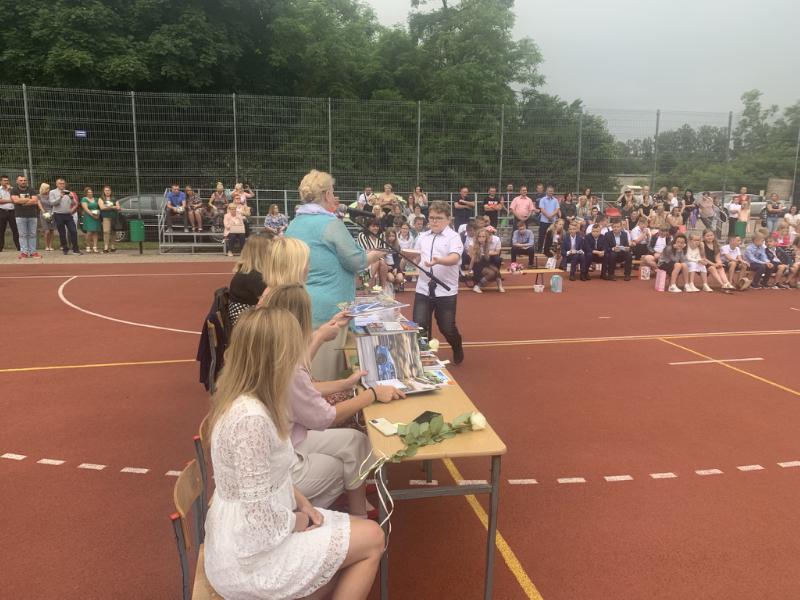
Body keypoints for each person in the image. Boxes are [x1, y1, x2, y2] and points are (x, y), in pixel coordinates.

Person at [203, 307, 384, 600]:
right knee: (374, 538)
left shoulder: (250, 398)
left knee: (349, 554)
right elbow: (260, 525)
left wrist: (303, 504)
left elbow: (269, 480)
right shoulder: (251, 419)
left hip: (249, 539)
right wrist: (300, 520)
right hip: (250, 559)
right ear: (278, 360)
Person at [262, 285, 404, 515]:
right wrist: (372, 394)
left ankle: (358, 514)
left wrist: (344, 383)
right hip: (282, 459)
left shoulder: (271, 350)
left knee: (356, 442)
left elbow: (301, 378)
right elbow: (325, 417)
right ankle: (307, 516)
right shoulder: (287, 366)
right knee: (341, 467)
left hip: (285, 441)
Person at [286, 170, 385, 380]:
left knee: (304, 371)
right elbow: (356, 261)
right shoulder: (331, 224)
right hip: (329, 309)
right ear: (327, 195)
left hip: (299, 304)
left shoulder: (294, 224)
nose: (335, 195)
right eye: (332, 191)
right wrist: (373, 256)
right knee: (327, 372)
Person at [412, 201, 464, 364]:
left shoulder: (453, 237)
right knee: (420, 327)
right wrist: (408, 260)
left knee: (446, 327)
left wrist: (439, 260)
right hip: (423, 288)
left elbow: (454, 258)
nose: (434, 221)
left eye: (439, 218)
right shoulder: (422, 237)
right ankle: (424, 358)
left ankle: (457, 345)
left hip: (445, 291)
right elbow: (416, 257)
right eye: (432, 217)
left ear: (448, 219)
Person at [228, 234, 272, 326]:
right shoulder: (254, 277)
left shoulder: (245, 271)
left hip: (244, 319)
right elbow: (271, 301)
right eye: (270, 251)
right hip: (246, 324)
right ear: (262, 254)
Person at [48, 178, 81, 255]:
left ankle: (75, 249)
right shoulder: (52, 192)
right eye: (60, 183)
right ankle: (65, 248)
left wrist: (71, 198)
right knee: (62, 232)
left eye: (63, 183)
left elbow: (74, 203)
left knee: (73, 231)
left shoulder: (68, 192)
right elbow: (52, 203)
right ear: (57, 184)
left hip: (68, 214)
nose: (62, 185)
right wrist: (60, 197)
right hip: (58, 214)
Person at [11, 175, 40, 259]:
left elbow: (35, 201)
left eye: (24, 180)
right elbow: (15, 200)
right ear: (17, 181)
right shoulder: (14, 190)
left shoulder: (31, 189)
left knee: (32, 234)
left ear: (27, 181)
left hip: (32, 215)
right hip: (20, 216)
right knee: (22, 235)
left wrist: (22, 201)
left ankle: (33, 252)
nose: (23, 182)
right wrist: (29, 200)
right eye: (21, 180)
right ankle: (24, 252)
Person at [469, 228, 504, 293]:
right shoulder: (474, 245)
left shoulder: (487, 244)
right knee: (491, 273)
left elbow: (488, 255)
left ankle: (500, 286)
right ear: (477, 237)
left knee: (496, 270)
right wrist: (470, 269)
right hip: (477, 264)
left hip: (485, 262)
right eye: (479, 236)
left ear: (486, 237)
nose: (481, 238)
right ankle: (477, 286)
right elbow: (472, 258)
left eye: (483, 236)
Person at [358, 219, 388, 288]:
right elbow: (365, 251)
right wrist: (377, 251)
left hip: (379, 259)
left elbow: (384, 251)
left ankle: (382, 288)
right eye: (373, 226)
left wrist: (374, 251)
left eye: (377, 226)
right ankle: (368, 284)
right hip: (365, 260)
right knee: (377, 262)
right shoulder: (362, 235)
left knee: (382, 263)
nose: (376, 228)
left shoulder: (381, 235)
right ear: (368, 227)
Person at [536, 185, 560, 252]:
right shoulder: (542, 199)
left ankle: (549, 250)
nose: (550, 192)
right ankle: (539, 249)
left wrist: (551, 216)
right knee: (542, 235)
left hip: (552, 222)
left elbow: (557, 209)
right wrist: (548, 216)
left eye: (552, 191)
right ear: (546, 191)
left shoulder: (555, 200)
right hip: (544, 221)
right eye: (549, 191)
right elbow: (542, 209)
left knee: (551, 236)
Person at [0, 175, 20, 252]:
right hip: (2, 211)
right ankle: (0, 247)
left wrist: (9, 191)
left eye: (7, 180)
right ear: (1, 181)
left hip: (12, 211)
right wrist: (11, 200)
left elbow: (17, 199)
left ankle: (19, 247)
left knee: (15, 230)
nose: (6, 182)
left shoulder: (13, 189)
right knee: (1, 230)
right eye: (4, 180)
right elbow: (0, 201)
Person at [36, 182, 58, 252]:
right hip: (44, 213)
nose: (48, 189)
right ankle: (46, 246)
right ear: (43, 189)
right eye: (47, 188)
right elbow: (39, 204)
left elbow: (54, 204)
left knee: (52, 230)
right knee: (47, 230)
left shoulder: (51, 195)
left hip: (52, 213)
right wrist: (44, 212)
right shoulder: (39, 196)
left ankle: (50, 246)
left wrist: (52, 212)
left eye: (49, 188)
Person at [98, 185, 120, 252]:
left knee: (113, 231)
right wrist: (113, 207)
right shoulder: (101, 198)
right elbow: (102, 208)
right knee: (106, 231)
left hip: (114, 217)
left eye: (108, 190)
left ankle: (113, 246)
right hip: (105, 217)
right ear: (104, 191)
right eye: (106, 190)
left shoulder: (114, 198)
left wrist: (108, 207)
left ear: (111, 191)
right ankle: (106, 247)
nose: (107, 192)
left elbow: (118, 207)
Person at [80, 187, 101, 253]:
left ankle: (95, 247)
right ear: (86, 193)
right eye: (88, 192)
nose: (90, 193)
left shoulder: (96, 199)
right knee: (89, 232)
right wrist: (93, 215)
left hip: (96, 216)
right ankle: (88, 247)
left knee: (95, 232)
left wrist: (98, 214)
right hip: (89, 217)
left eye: (91, 192)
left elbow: (100, 207)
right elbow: (86, 209)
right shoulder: (84, 199)